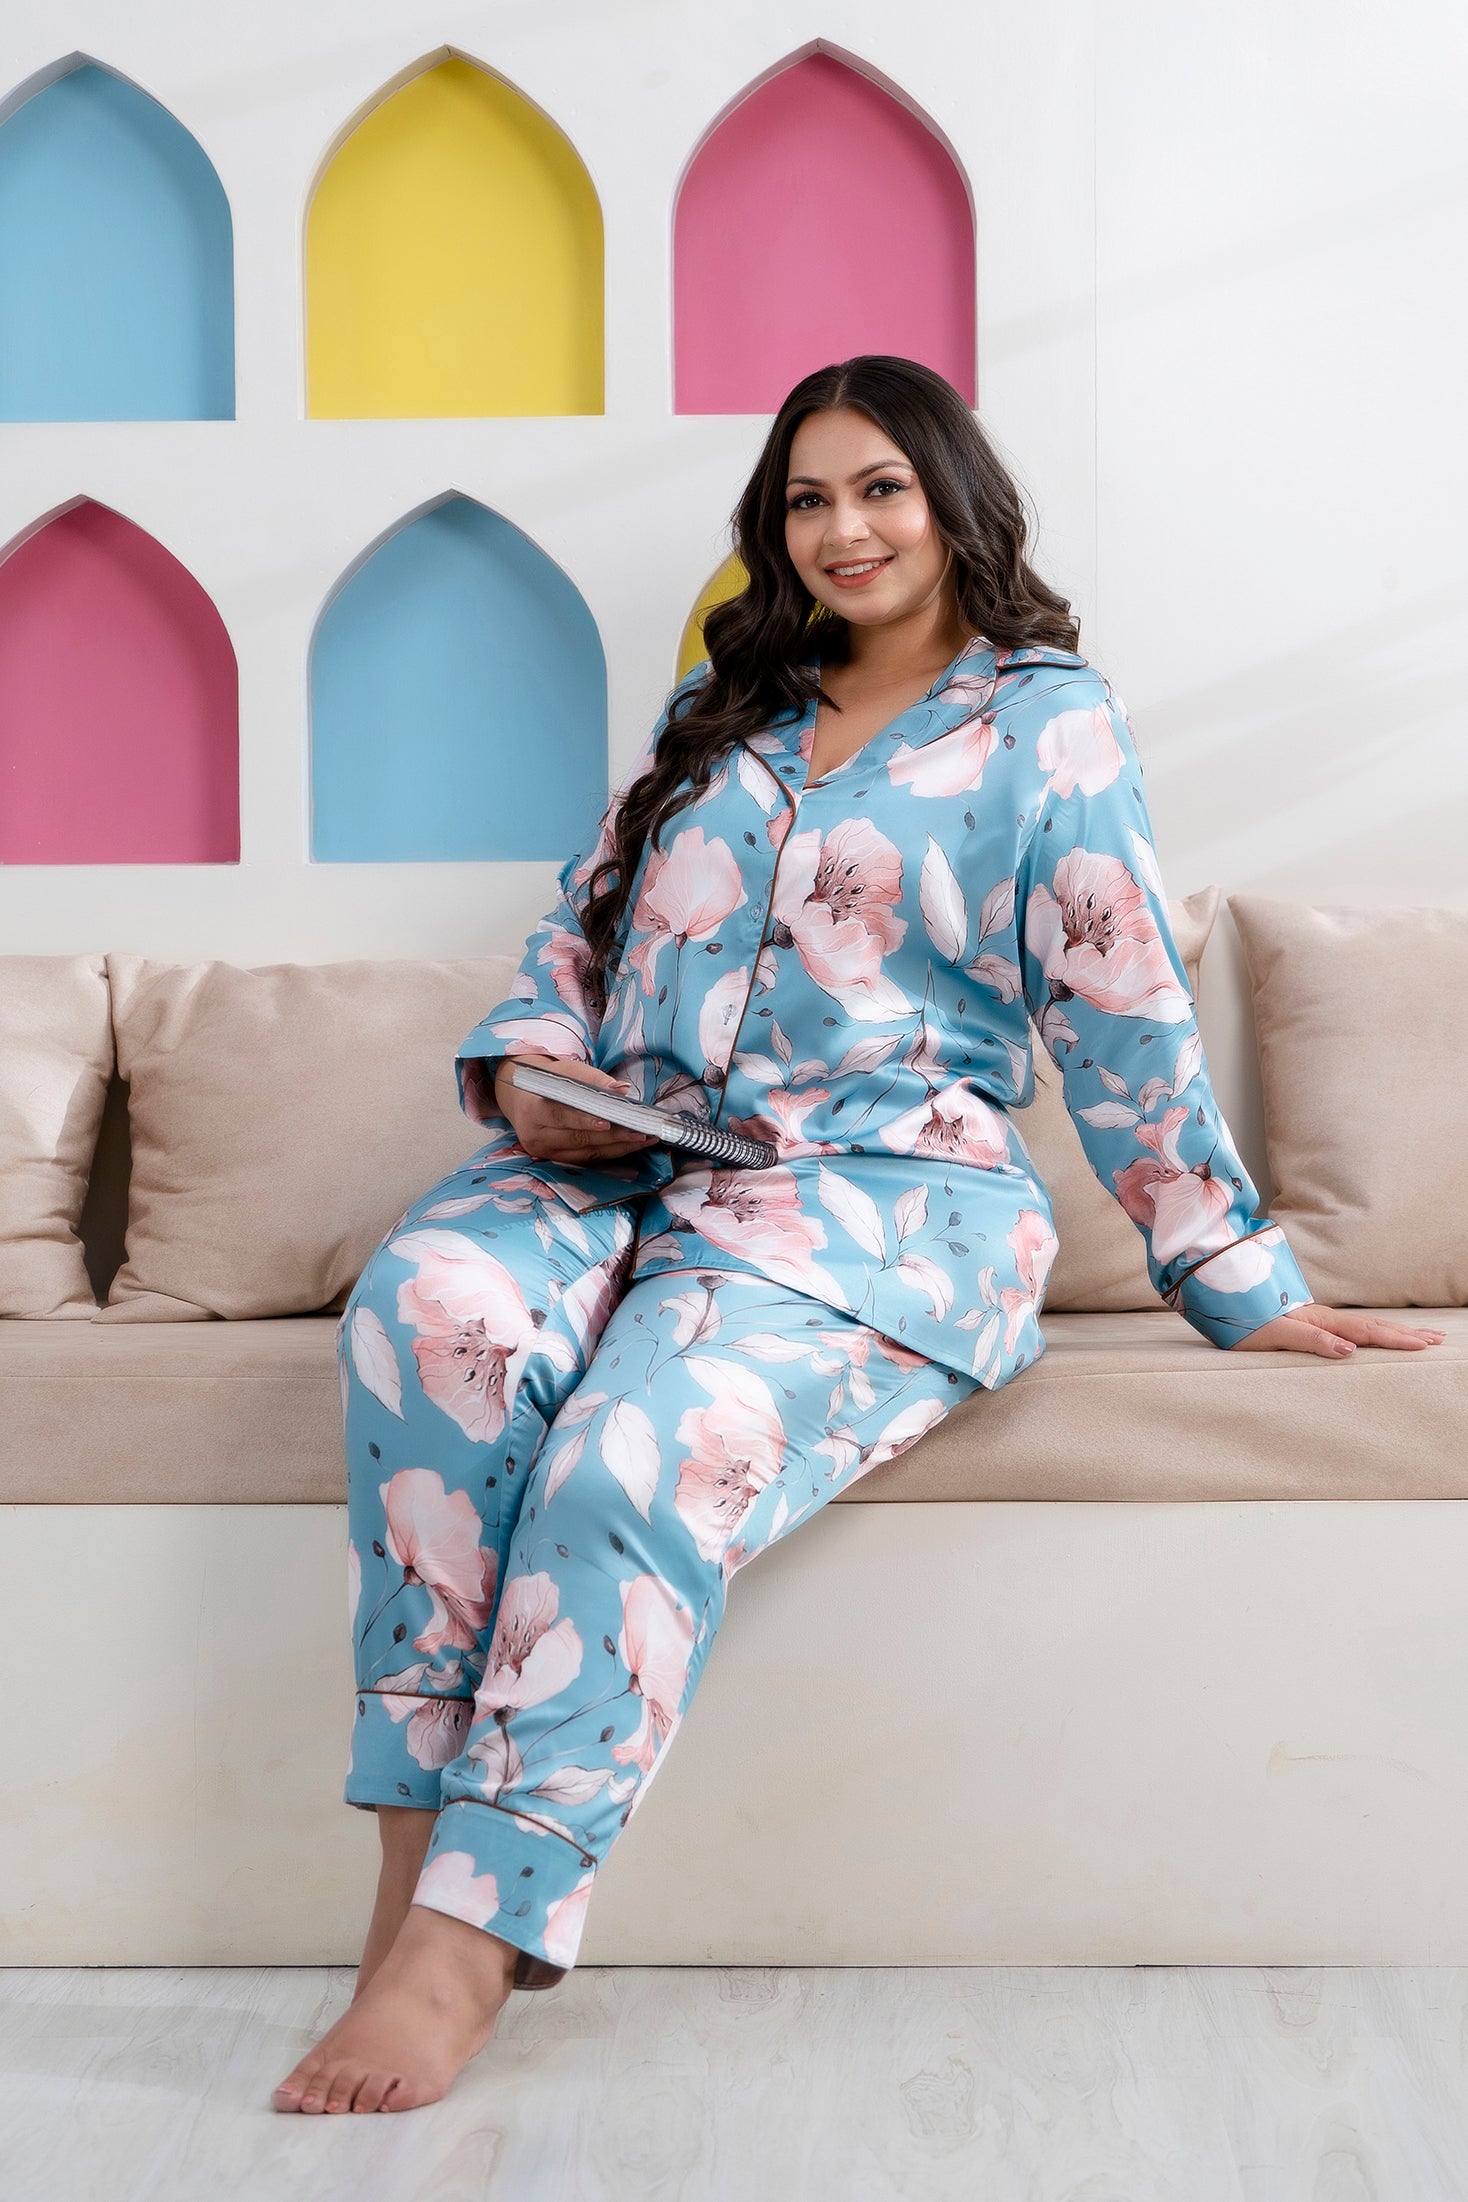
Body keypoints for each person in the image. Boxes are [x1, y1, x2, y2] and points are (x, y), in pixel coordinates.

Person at [272, 354, 1444, 2115]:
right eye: (808, 499)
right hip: (614, 1165)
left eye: (881, 488)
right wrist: (525, 1075)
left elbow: (1123, 1000)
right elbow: (577, 931)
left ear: (953, 499)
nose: (844, 529)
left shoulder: (1044, 722)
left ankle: (467, 1940)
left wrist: (1232, 1275)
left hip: (881, 1203)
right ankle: (405, 1881)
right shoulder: (722, 704)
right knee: (427, 1310)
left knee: (632, 1454)